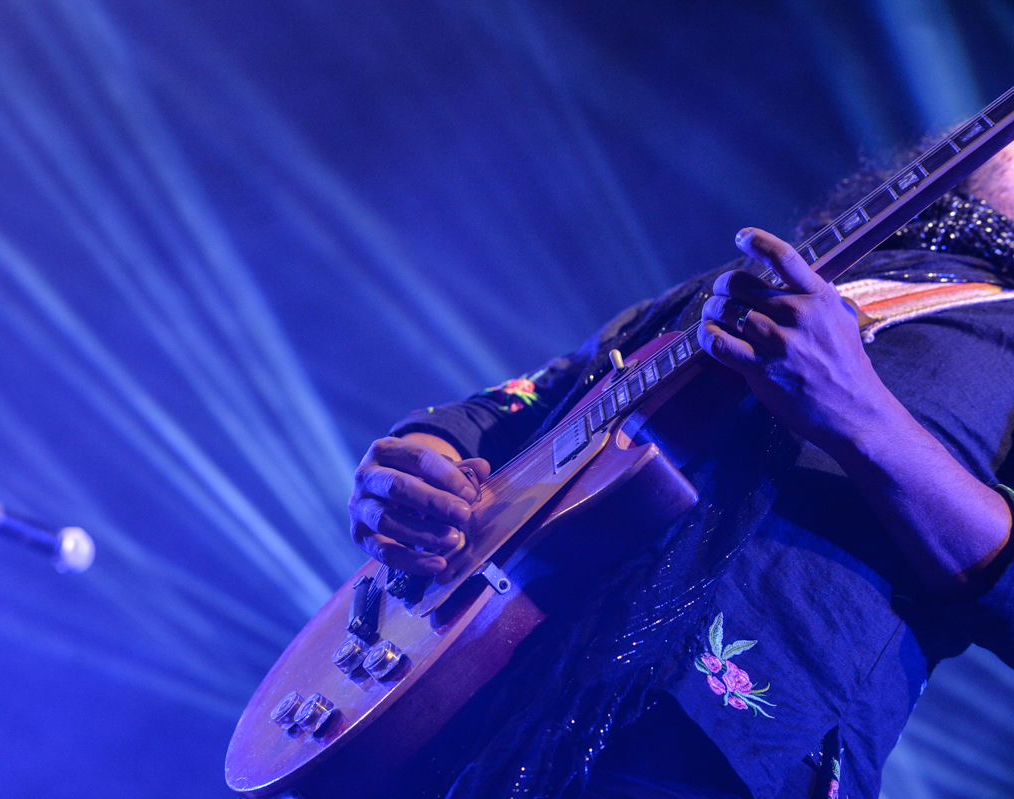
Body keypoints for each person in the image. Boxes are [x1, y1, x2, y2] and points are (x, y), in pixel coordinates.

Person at [347, 153, 1014, 798]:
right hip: (477, 700)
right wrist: (416, 465)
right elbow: (518, 404)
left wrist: (861, 412)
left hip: (723, 748)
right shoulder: (749, 278)